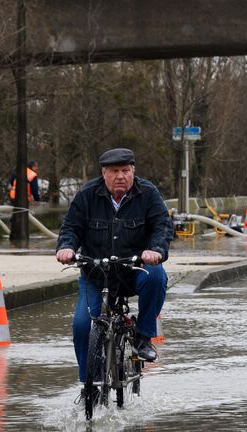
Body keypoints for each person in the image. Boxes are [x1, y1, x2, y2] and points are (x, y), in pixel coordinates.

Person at [55, 148, 173, 395]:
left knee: (157, 277)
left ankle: (143, 337)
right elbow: (71, 227)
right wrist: (66, 247)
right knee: (81, 325)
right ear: (104, 173)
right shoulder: (87, 194)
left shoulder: (148, 193)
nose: (121, 176)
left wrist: (155, 250)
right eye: (115, 171)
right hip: (96, 273)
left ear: (133, 172)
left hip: (134, 269)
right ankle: (90, 383)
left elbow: (162, 226)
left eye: (126, 171)